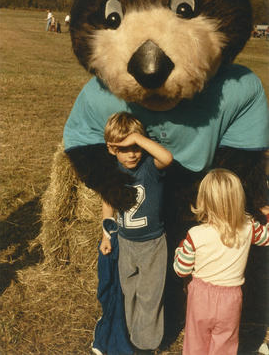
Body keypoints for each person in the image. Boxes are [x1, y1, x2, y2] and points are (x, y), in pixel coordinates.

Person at [173, 168, 269, 355]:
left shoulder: (195, 235)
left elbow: (181, 270)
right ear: (239, 199)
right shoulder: (249, 227)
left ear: (203, 201)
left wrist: (179, 250)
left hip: (201, 296)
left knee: (196, 341)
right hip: (231, 299)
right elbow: (266, 237)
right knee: (225, 343)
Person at [100, 112, 173, 354]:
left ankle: (146, 345)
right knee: (128, 292)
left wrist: (137, 139)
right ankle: (131, 337)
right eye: (124, 149)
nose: (132, 154)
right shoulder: (112, 172)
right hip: (126, 242)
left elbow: (167, 157)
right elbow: (108, 202)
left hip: (152, 244)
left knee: (150, 296)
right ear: (112, 150)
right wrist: (106, 234)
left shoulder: (151, 167)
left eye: (135, 147)